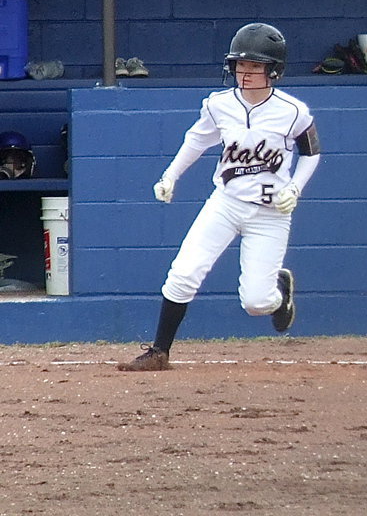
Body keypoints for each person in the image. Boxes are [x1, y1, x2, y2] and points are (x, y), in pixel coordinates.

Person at [117, 23, 321, 371]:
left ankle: (279, 293)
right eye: (241, 66)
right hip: (226, 203)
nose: (246, 73)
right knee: (183, 273)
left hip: (271, 213)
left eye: (255, 66)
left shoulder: (293, 111)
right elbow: (196, 141)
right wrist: (170, 176)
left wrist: (295, 188)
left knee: (256, 302)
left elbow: (312, 153)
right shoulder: (218, 105)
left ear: (274, 70)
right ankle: (159, 351)